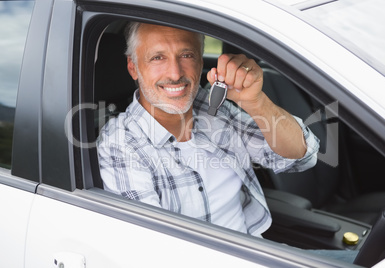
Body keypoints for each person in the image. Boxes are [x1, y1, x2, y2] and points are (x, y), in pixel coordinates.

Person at [97, 22, 319, 237]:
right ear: (133, 67)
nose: (175, 73)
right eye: (157, 57)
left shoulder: (213, 108)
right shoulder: (120, 143)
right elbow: (155, 246)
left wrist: (256, 101)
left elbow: (299, 158)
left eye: (186, 55)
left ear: (201, 62)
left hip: (257, 249)